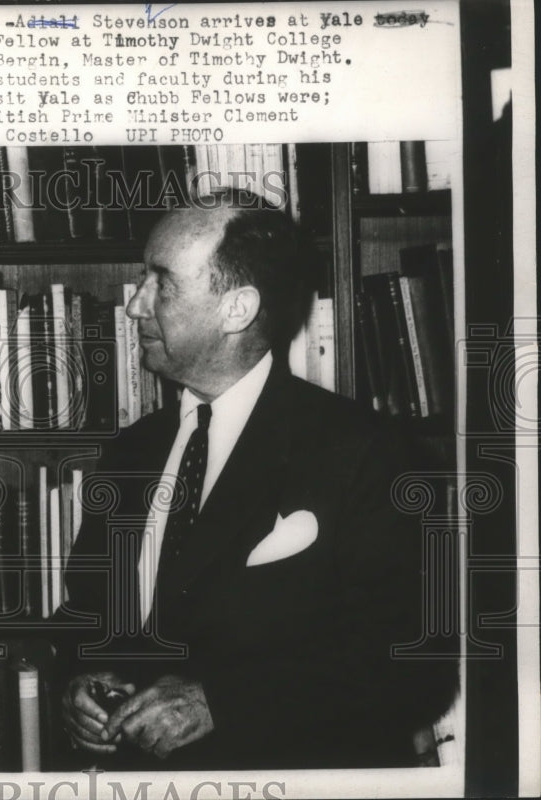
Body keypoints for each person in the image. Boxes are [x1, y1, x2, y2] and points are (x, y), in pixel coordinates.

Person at [59, 190, 457, 769]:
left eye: (161, 282)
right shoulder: (131, 451)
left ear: (237, 309)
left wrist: (223, 701)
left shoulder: (366, 452)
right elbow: (87, 615)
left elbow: (415, 667)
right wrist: (75, 681)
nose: (135, 305)